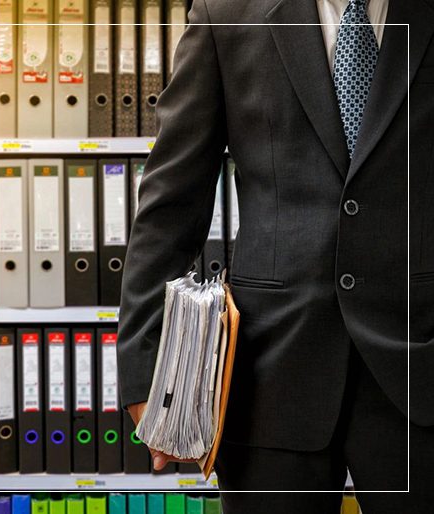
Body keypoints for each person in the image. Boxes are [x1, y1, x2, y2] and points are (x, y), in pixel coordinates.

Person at [116, 0, 434, 512]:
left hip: (420, 360)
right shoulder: (227, 12)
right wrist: (144, 361)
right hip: (270, 374)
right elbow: (172, 200)